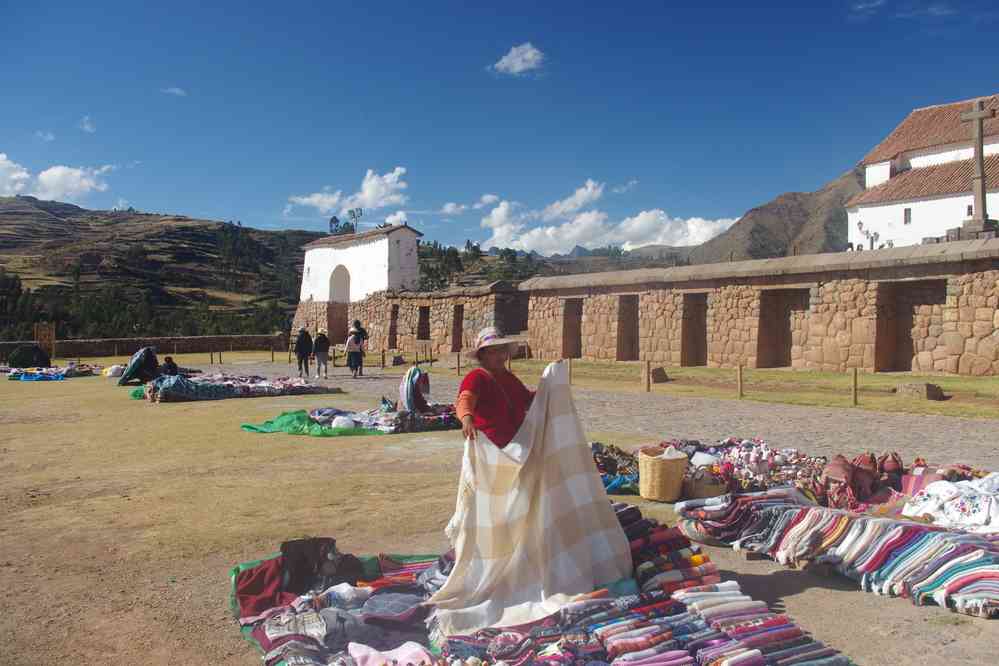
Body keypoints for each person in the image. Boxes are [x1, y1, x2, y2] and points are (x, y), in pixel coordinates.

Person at [456, 327, 533, 448]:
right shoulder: (476, 377)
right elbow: (465, 400)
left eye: (502, 350)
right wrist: (467, 419)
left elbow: (526, 399)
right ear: (482, 356)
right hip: (490, 447)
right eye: (493, 351)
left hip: (516, 446)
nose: (499, 355)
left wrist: (550, 385)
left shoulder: (509, 378)